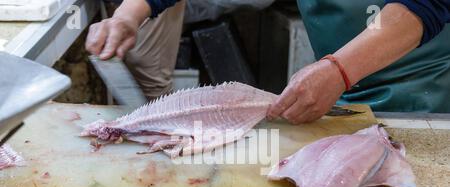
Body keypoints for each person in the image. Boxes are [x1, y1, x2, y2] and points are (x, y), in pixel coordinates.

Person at [86, 0, 450, 124]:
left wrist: (339, 70)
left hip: (427, 95)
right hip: (344, 90)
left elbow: (425, 6)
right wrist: (128, 15)